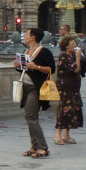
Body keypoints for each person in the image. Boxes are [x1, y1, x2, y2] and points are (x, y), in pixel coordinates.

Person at [13, 27, 56, 159]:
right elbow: (25, 71)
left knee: (30, 116)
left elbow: (51, 69)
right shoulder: (26, 51)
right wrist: (18, 66)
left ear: (33, 37)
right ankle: (34, 146)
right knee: (30, 117)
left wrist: (36, 66)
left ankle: (43, 147)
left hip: (36, 88)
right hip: (26, 87)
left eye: (26, 34)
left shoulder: (44, 52)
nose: (24, 36)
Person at [54, 34, 83, 145]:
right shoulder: (64, 56)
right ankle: (58, 135)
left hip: (73, 88)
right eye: (72, 44)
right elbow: (75, 69)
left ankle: (66, 135)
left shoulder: (71, 57)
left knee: (72, 110)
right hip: (65, 88)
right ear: (66, 46)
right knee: (65, 109)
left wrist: (78, 58)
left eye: (75, 43)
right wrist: (78, 57)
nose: (74, 45)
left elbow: (80, 69)